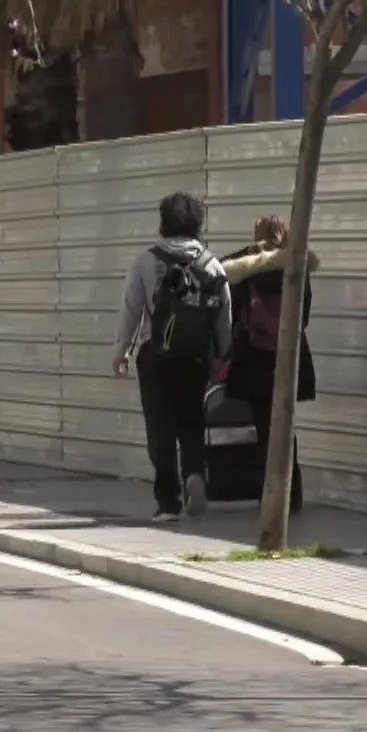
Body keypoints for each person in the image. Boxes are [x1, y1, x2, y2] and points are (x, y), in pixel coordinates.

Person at [111, 191, 232, 522]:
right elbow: (224, 316)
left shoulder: (146, 261)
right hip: (194, 358)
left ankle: (168, 503)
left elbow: (131, 310)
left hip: (155, 356)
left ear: (164, 221)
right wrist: (222, 357)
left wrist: (121, 351)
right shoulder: (212, 264)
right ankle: (194, 472)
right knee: (192, 422)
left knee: (160, 428)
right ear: (198, 223)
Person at [220, 215, 321, 515]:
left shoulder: (247, 271)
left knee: (266, 428)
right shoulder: (298, 266)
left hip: (257, 361)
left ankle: (276, 495)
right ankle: (294, 492)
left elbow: (234, 311)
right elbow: (304, 317)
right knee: (285, 427)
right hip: (290, 359)